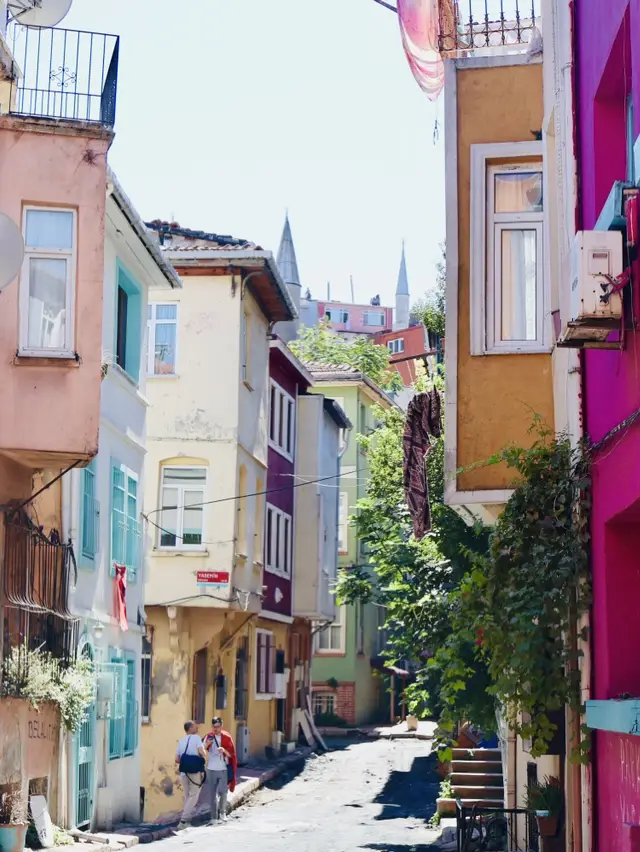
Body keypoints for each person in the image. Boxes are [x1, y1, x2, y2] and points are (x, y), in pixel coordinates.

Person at [204, 716, 237, 824]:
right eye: (214, 727)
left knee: (223, 792)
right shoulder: (209, 736)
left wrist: (224, 751)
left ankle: (222, 813)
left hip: (223, 768)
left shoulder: (227, 737)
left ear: (221, 726)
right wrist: (207, 744)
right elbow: (203, 749)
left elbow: (232, 754)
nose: (216, 729)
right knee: (212, 794)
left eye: (218, 726)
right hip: (211, 768)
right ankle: (213, 817)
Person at [175, 720, 207, 830]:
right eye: (195, 726)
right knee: (194, 795)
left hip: (184, 772)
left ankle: (187, 821)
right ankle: (183, 820)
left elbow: (177, 759)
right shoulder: (196, 738)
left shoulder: (181, 741)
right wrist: (205, 749)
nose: (197, 727)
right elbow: (202, 752)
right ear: (190, 728)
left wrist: (187, 761)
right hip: (194, 772)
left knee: (187, 796)